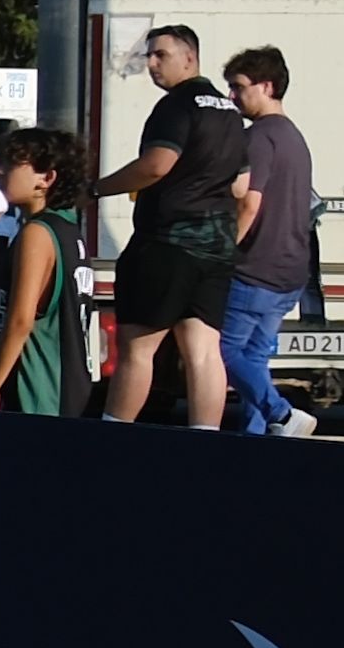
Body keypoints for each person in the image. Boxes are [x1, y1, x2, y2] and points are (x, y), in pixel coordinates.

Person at [93, 22, 250, 430]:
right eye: (149, 55)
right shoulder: (230, 112)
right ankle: (205, 441)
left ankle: (111, 435)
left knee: (138, 349)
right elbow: (241, 185)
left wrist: (95, 189)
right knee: (203, 350)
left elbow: (156, 165)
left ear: (190, 58)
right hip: (216, 250)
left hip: (167, 243)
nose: (151, 63)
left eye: (160, 55)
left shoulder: (177, 106)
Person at [219, 47, 320, 434]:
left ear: (267, 86)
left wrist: (224, 253)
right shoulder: (294, 137)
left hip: (254, 268)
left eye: (238, 87)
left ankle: (282, 414)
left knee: (223, 351)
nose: (232, 96)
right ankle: (259, 439)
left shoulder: (258, 138)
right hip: (290, 270)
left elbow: (249, 203)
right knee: (256, 357)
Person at [0, 128, 83, 414]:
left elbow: (21, 319)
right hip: (65, 381)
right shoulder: (67, 228)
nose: (0, 171)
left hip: (36, 384)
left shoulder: (37, 233)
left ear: (46, 178)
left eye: (12, 164)